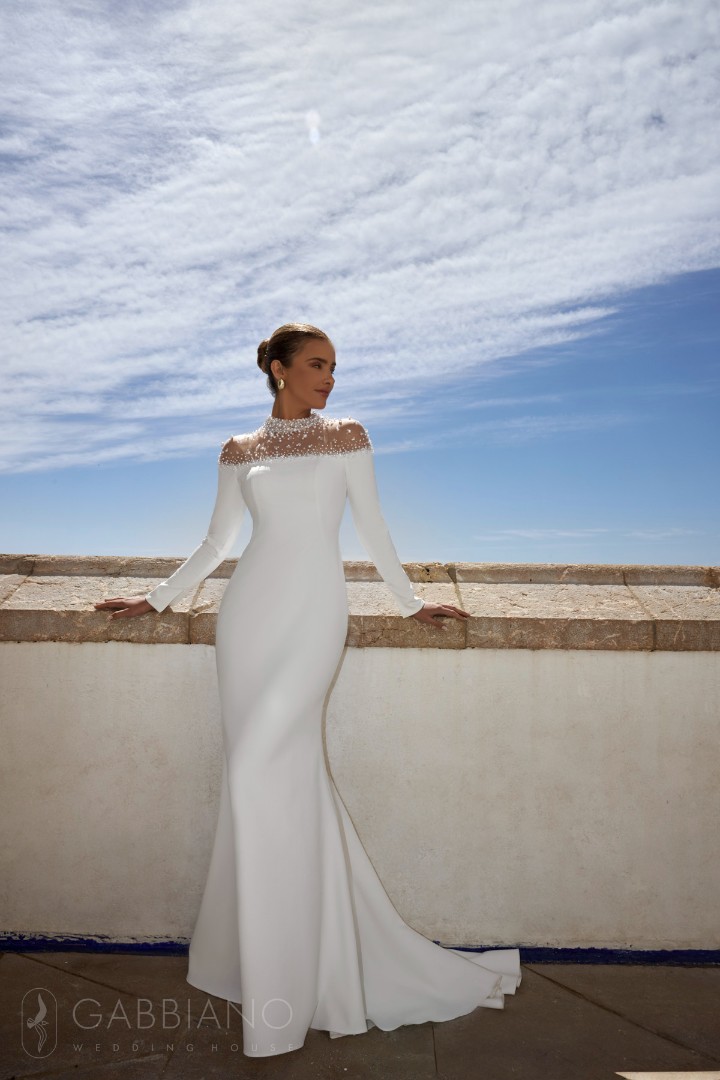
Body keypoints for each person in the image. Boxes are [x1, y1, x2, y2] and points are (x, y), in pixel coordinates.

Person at [95, 322, 522, 1057]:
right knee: (264, 783)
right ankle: (267, 961)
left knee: (260, 771)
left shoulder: (347, 435)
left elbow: (373, 527)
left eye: (333, 366)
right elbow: (218, 542)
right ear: (277, 368)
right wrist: (155, 598)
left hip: (316, 615)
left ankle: (289, 980)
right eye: (317, 364)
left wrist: (411, 603)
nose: (329, 377)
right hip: (249, 620)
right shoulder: (239, 450)